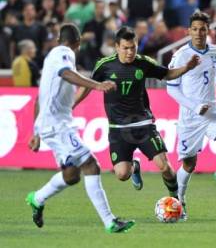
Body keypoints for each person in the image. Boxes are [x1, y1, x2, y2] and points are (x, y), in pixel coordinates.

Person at [26, 23, 135, 233]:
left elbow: (40, 99)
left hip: (53, 125)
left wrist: (36, 131)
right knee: (91, 165)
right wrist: (97, 85)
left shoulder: (52, 56)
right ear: (78, 43)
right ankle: (110, 221)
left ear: (59, 39)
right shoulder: (64, 54)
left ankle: (37, 198)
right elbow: (66, 73)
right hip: (57, 126)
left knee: (72, 175)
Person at [75, 26, 199, 200]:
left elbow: (167, 74)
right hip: (118, 128)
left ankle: (177, 200)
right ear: (117, 47)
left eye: (133, 47)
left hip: (143, 124)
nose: (129, 52)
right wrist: (71, 105)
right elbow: (87, 86)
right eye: (125, 48)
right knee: (122, 174)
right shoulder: (104, 65)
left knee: (165, 167)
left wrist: (187, 67)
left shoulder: (144, 62)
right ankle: (134, 167)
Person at [167, 11, 216, 220]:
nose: (199, 33)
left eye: (203, 29)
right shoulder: (180, 56)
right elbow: (171, 89)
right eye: (195, 29)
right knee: (189, 165)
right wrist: (193, 106)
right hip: (190, 117)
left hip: (212, 111)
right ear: (188, 31)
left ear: (208, 30)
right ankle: (180, 201)